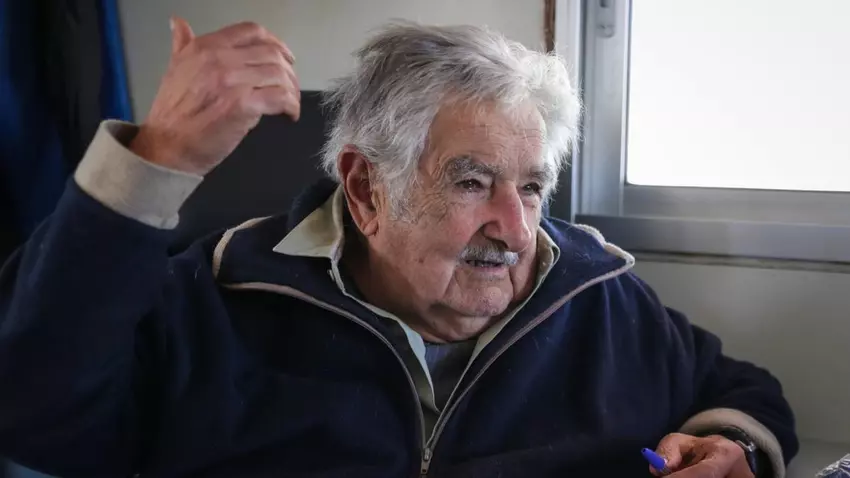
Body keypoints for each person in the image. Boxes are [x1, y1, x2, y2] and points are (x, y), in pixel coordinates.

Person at [0, 17, 797, 478]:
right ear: (365, 189)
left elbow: (740, 389)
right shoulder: (216, 299)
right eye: (472, 181)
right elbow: (32, 412)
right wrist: (154, 162)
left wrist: (731, 446)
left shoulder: (597, 294)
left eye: (530, 187)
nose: (517, 230)